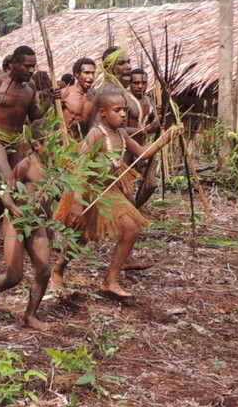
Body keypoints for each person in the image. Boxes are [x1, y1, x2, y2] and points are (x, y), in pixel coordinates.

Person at [50, 89, 176, 298]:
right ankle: (57, 270)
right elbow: (80, 166)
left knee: (131, 229)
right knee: (80, 238)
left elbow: (142, 153)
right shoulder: (96, 133)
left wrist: (166, 138)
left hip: (109, 192)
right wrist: (77, 203)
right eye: (117, 110)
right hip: (88, 191)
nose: (123, 114)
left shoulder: (121, 133)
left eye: (124, 110)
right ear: (103, 112)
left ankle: (110, 281)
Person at [0, 119, 53, 331]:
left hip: (37, 223)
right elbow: (6, 194)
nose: (57, 148)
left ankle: (30, 315)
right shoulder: (25, 165)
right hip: (17, 222)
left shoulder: (55, 170)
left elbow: (50, 199)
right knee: (14, 276)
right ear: (37, 145)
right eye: (52, 143)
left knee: (44, 271)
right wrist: (12, 208)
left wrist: (50, 223)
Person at [0, 45, 48, 215]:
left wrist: (48, 101)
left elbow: (35, 116)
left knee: (15, 184)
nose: (31, 70)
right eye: (27, 66)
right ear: (15, 64)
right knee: (8, 181)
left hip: (16, 140)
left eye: (33, 66)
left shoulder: (31, 87)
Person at [128, 68, 161, 208]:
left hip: (142, 150)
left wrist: (159, 117)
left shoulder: (148, 100)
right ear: (129, 83)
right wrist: (145, 130)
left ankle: (134, 210)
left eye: (143, 83)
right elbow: (119, 130)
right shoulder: (125, 100)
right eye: (136, 83)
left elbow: (155, 124)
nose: (140, 86)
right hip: (126, 150)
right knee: (125, 190)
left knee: (150, 185)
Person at [60, 58, 96, 138]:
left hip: (85, 142)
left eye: (93, 73)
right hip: (68, 141)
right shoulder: (65, 93)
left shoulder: (94, 95)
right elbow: (55, 118)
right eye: (87, 73)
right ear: (77, 74)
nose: (91, 77)